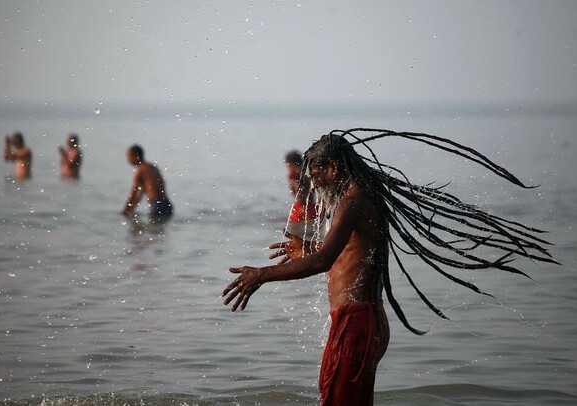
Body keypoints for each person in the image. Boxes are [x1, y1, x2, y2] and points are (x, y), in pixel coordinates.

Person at [222, 129, 556, 405]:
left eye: (318, 174)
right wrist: (305, 250)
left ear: (334, 168)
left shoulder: (352, 199)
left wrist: (261, 275)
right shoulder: (358, 197)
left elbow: (325, 260)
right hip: (364, 322)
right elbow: (343, 257)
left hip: (356, 325)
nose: (316, 184)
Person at [121, 144, 173, 221]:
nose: (128, 159)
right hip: (166, 204)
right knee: (160, 230)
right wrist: (131, 209)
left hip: (157, 206)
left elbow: (134, 194)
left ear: (136, 156)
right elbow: (140, 194)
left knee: (152, 231)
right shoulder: (152, 167)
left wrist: (125, 211)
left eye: (129, 156)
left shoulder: (140, 170)